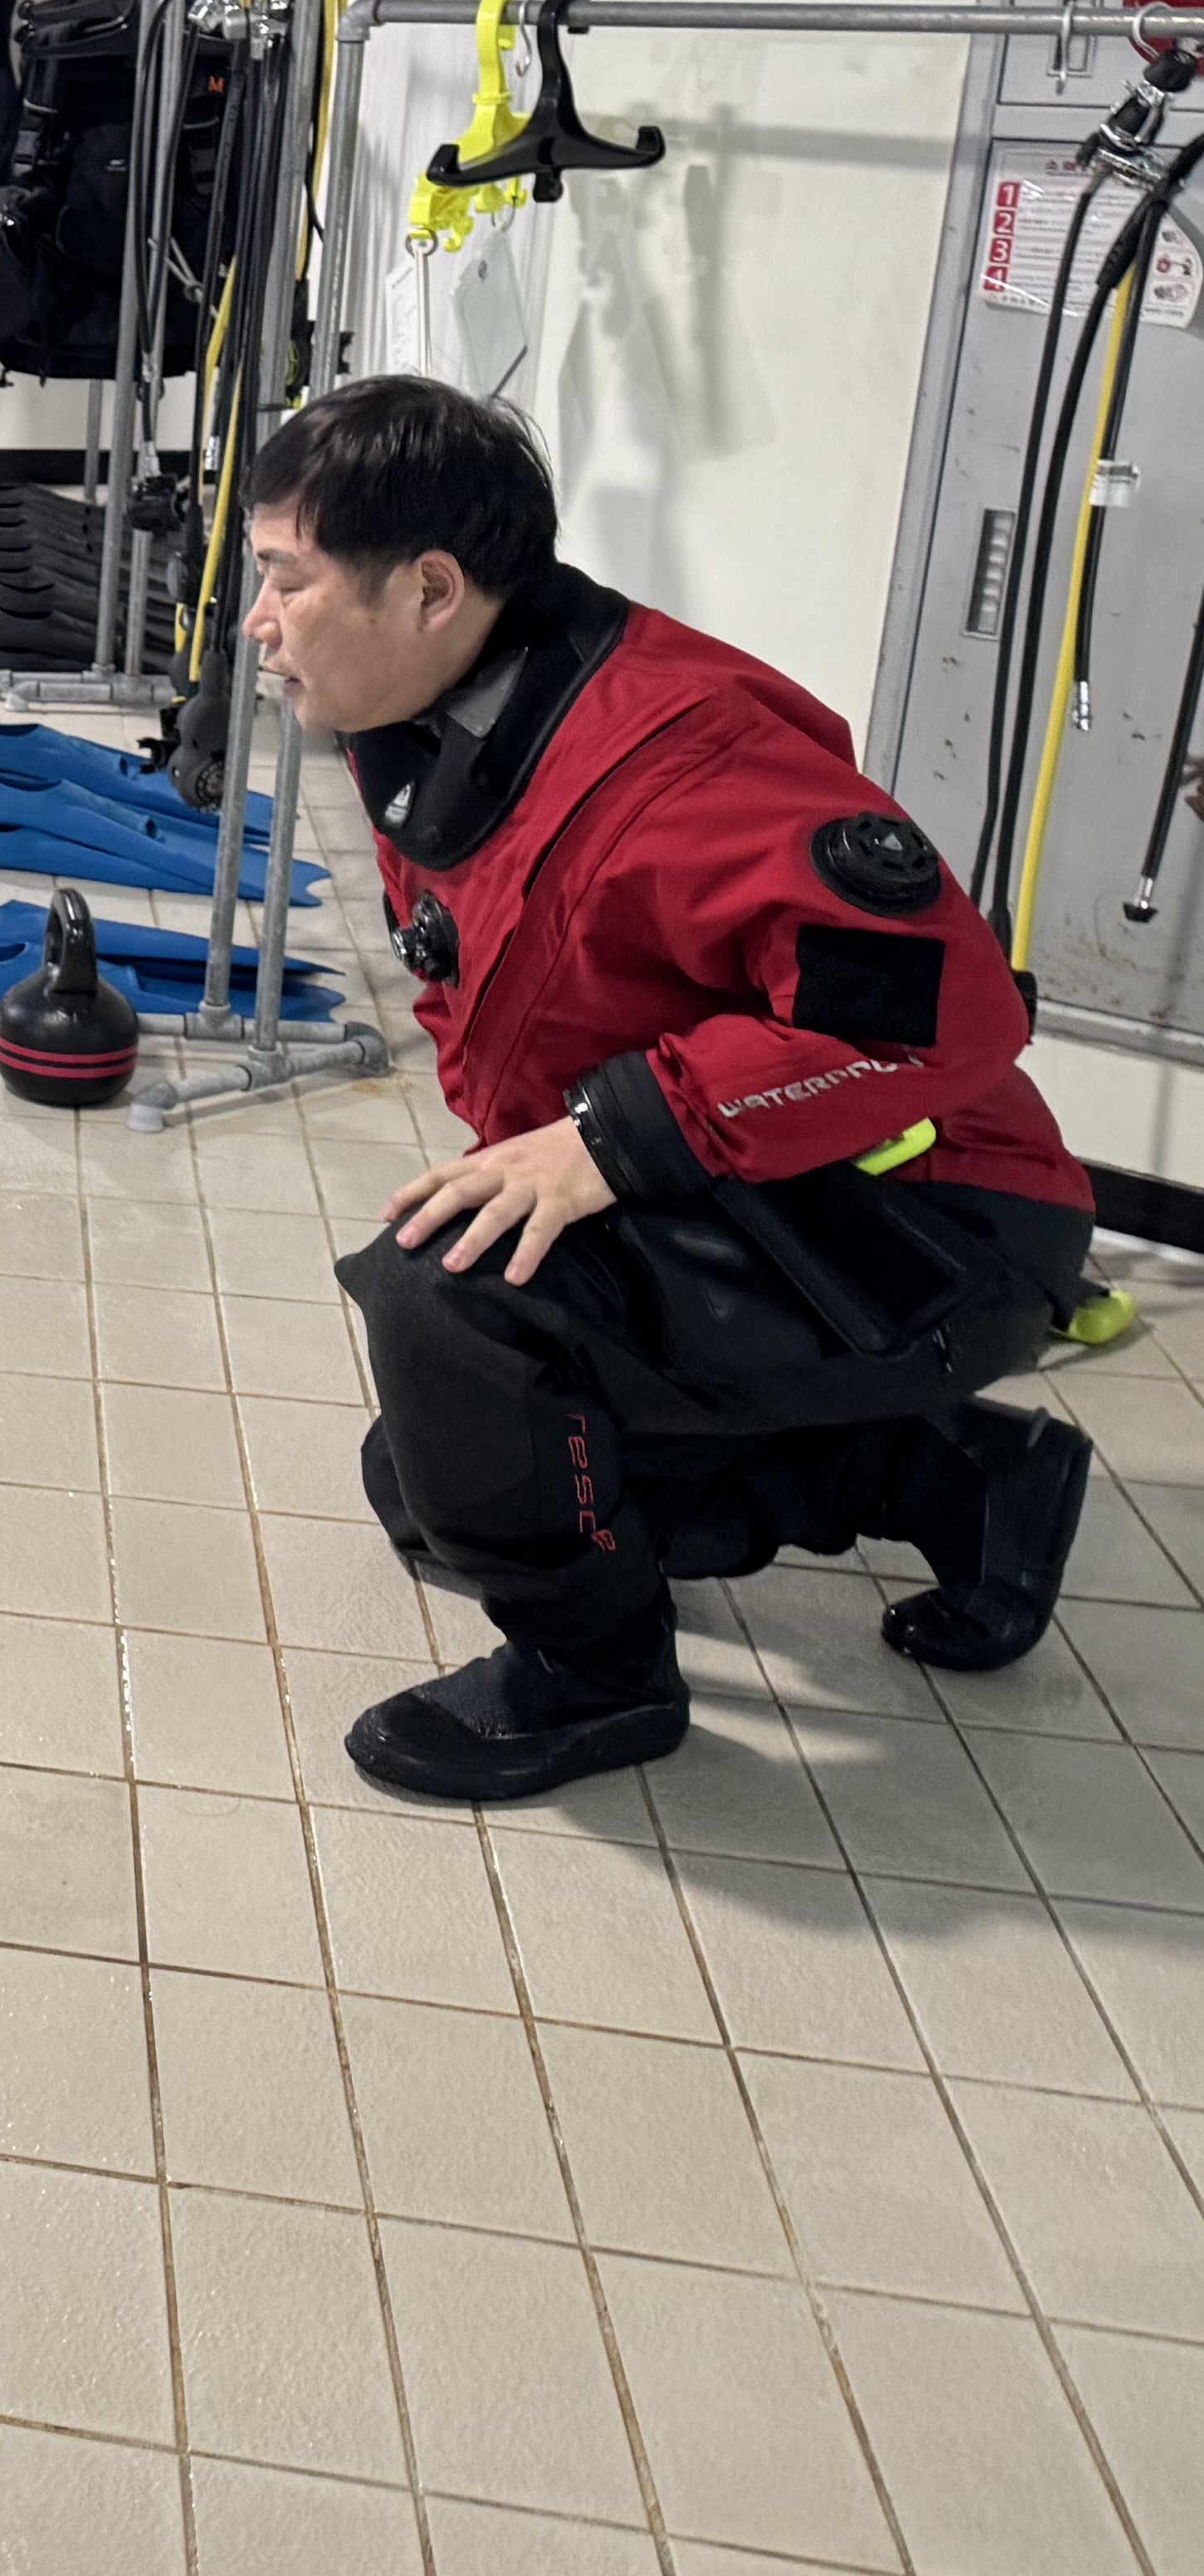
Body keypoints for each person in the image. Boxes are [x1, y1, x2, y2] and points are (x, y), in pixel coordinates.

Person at [243, 376, 1098, 1804]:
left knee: (448, 1302)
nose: (256, 623)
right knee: (436, 1480)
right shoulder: (444, 724)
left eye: (286, 580)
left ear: (432, 590)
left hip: (939, 1221)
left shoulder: (680, 758)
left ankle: (596, 1678)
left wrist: (609, 1141)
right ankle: (953, 1475)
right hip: (765, 1192)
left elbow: (949, 1018)